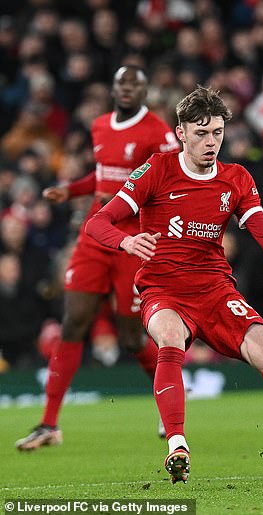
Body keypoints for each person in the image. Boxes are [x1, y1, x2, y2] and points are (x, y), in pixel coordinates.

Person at [84, 86, 263, 483]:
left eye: (216, 132)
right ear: (181, 132)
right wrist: (126, 240)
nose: (210, 142)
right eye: (201, 133)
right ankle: (177, 444)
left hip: (216, 291)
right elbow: (97, 223)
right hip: (164, 289)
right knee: (168, 337)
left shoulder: (236, 178)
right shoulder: (156, 170)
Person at [15, 65, 180, 451]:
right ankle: (49, 424)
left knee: (130, 335)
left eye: (134, 84)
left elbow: (171, 181)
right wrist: (71, 190)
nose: (126, 89)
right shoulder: (100, 125)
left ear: (144, 90)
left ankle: (169, 397)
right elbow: (104, 175)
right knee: (73, 321)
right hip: (95, 231)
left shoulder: (159, 133)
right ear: (112, 88)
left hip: (133, 239)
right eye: (121, 83)